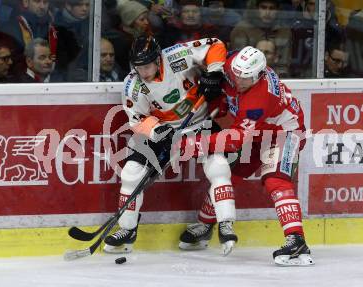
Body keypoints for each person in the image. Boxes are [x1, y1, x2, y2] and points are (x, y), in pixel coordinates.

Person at [177, 46, 314, 266]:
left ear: (259, 75)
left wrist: (192, 145)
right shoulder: (233, 66)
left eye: (246, 79)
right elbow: (214, 52)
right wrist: (213, 78)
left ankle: (297, 241)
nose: (238, 81)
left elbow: (234, 140)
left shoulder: (260, 97)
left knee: (275, 180)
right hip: (258, 132)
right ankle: (205, 225)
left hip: (284, 133)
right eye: (236, 76)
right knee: (226, 173)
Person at [103, 35, 238, 256]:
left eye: (147, 66)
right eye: (138, 67)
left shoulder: (177, 55)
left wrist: (214, 72)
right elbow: (137, 119)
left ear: (158, 60)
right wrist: (158, 131)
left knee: (219, 167)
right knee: (131, 172)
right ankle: (127, 230)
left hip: (200, 122)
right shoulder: (132, 85)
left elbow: (215, 44)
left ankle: (225, 223)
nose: (143, 72)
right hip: (165, 131)